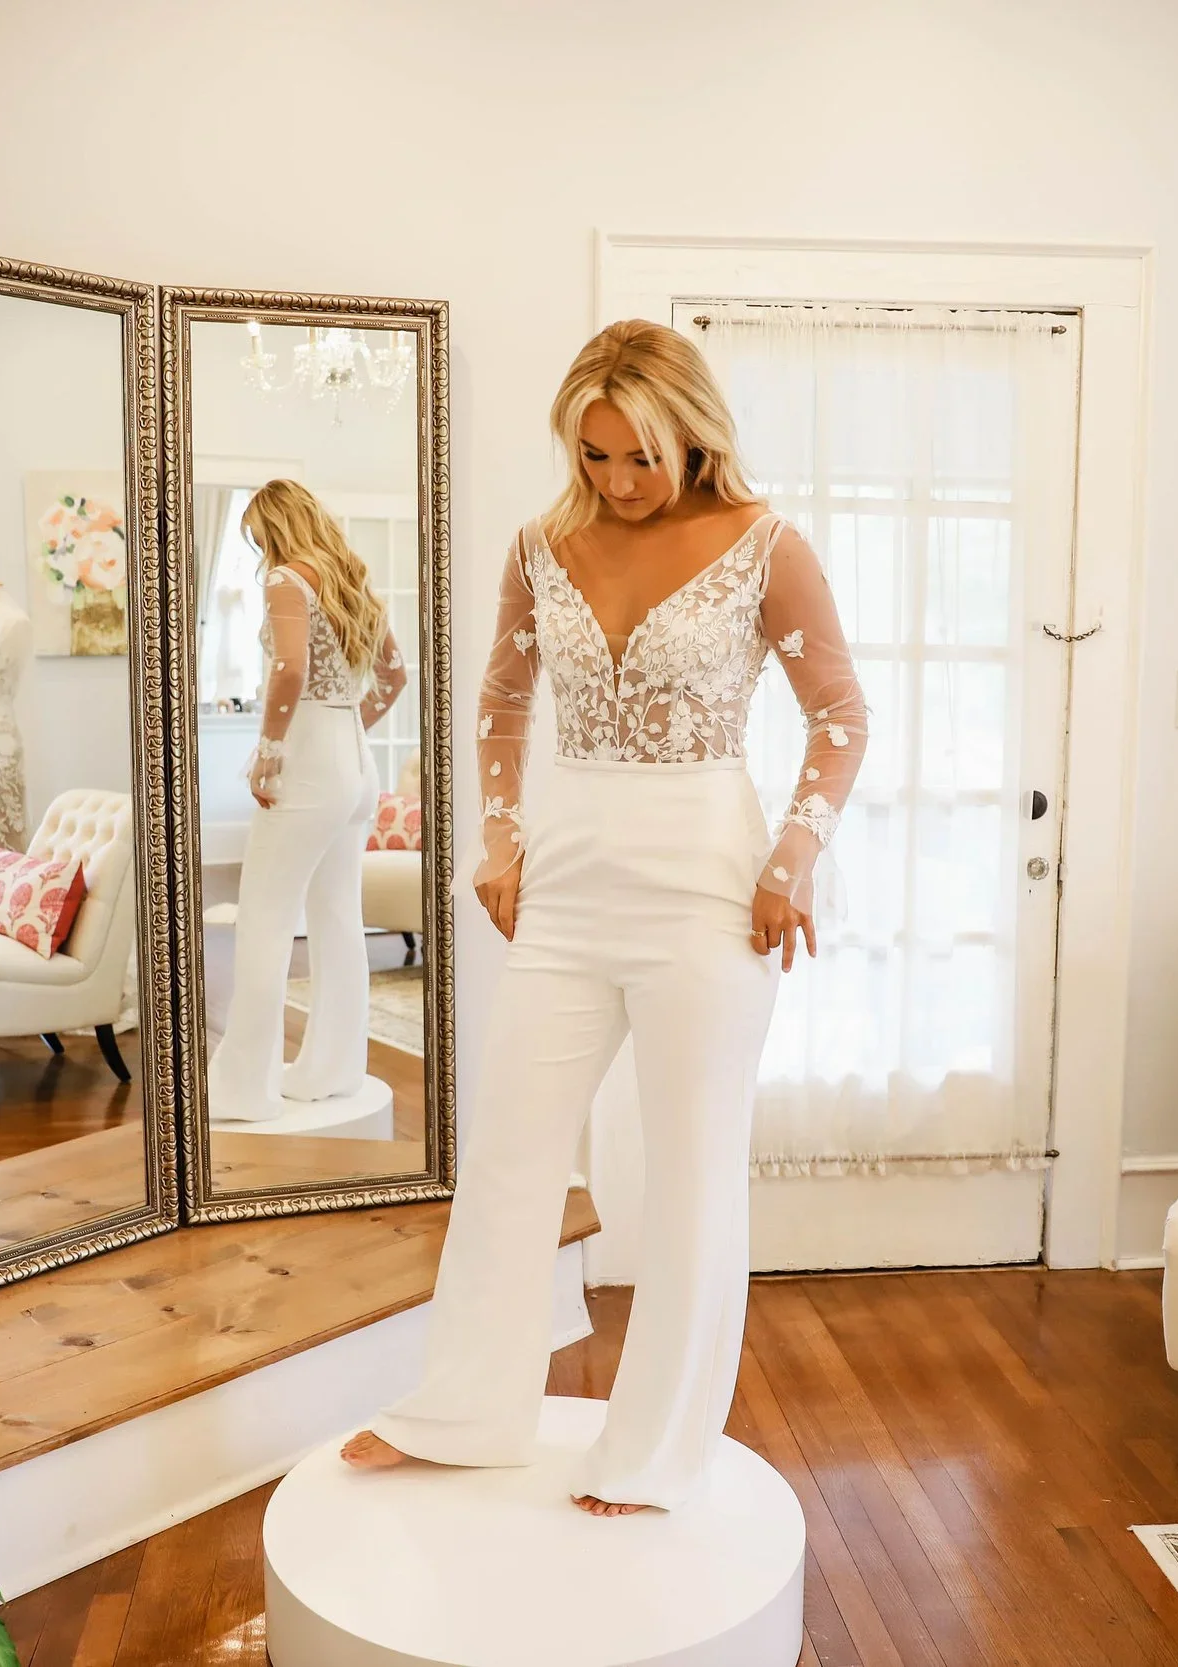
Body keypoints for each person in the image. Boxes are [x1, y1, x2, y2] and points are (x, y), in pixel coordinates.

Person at [342, 319, 867, 1513]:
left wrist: (792, 857)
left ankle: (655, 1451)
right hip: (571, 882)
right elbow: (497, 699)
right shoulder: (541, 545)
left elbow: (839, 717)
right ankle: (465, 1410)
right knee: (511, 1148)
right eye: (593, 457)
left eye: (641, 457)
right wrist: (497, 834)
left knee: (689, 1173)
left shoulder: (763, 544)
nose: (618, 484)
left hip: (711, 891)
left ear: (693, 437)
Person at [208, 479, 408, 1121]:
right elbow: (394, 677)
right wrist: (348, 728)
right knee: (337, 918)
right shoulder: (352, 579)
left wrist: (271, 748)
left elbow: (289, 670)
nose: (258, 548)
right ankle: (334, 1070)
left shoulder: (286, 582)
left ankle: (245, 1088)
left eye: (258, 535)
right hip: (354, 759)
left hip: (311, 760)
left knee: (265, 917)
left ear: (274, 528)